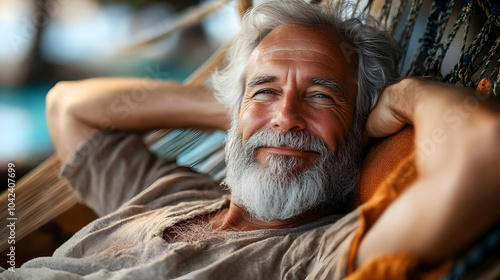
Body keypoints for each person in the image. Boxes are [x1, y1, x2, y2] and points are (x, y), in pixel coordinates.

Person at [2, 0, 499, 279]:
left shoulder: (323, 255)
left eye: (322, 97)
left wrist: (407, 96)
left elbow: (486, 148)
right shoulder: (170, 194)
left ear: (361, 124)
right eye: (265, 90)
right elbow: (67, 107)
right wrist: (244, 114)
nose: (286, 115)